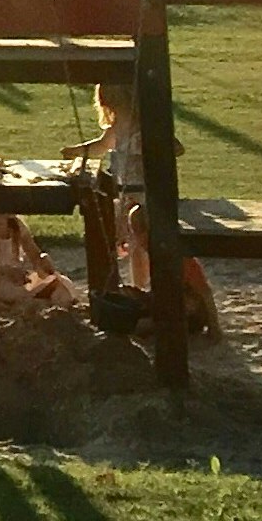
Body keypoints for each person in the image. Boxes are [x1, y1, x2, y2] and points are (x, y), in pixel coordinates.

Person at [64, 81, 217, 335]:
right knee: (131, 244)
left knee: (142, 243)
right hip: (127, 196)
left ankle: (147, 292)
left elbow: (175, 148)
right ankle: (141, 292)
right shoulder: (117, 128)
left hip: (145, 195)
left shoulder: (143, 128)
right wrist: (76, 151)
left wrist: (153, 147)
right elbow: (100, 146)